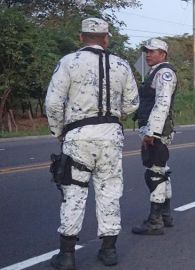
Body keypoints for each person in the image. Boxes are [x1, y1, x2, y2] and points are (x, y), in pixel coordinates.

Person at [45, 18, 139, 269]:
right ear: (106, 38)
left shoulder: (68, 62)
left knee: (73, 192)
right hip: (110, 135)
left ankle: (66, 255)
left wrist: (58, 132)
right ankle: (109, 251)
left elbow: (53, 103)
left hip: (78, 135)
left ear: (80, 37)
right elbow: (132, 104)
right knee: (109, 190)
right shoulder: (121, 64)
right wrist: (113, 115)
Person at [132, 38, 178, 235]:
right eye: (147, 51)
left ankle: (155, 221)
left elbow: (162, 104)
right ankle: (166, 215)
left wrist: (151, 132)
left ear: (163, 54)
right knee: (161, 170)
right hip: (155, 130)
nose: (148, 55)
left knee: (154, 174)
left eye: (153, 51)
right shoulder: (154, 72)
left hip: (157, 132)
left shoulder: (164, 73)